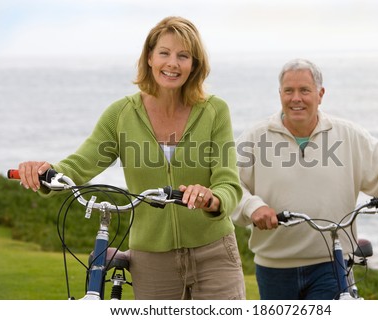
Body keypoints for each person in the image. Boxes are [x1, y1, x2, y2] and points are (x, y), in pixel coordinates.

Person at [17, 16, 245, 300]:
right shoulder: (122, 115)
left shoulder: (214, 110)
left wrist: (211, 198)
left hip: (214, 252)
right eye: (164, 53)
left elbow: (228, 183)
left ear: (194, 65)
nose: (172, 63)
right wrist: (45, 172)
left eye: (183, 56)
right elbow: (79, 164)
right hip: (152, 258)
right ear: (150, 57)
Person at [232, 58, 378, 300]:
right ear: (280, 94)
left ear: (320, 94)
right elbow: (230, 185)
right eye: (289, 91)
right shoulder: (255, 137)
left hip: (331, 263)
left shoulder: (347, 134)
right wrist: (253, 207)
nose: (296, 98)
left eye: (304, 90)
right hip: (274, 266)